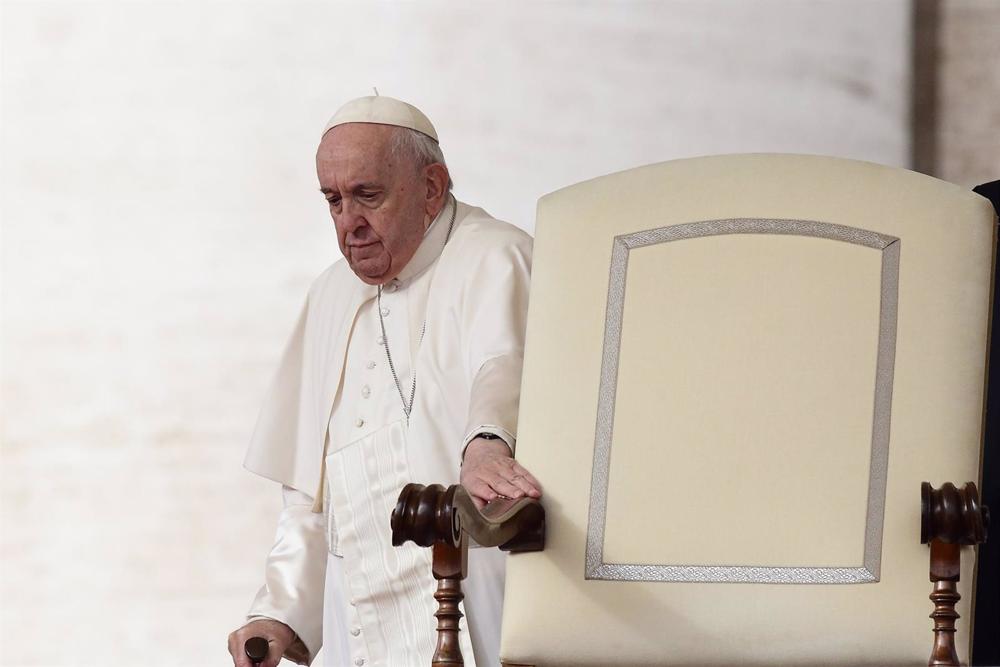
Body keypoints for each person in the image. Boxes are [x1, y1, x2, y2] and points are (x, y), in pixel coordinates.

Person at [227, 95, 541, 667]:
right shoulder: (330, 294)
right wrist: (278, 609)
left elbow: (504, 365)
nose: (350, 221)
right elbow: (310, 492)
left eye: (367, 195)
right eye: (333, 200)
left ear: (431, 187)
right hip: (363, 627)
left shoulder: (497, 254)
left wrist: (487, 442)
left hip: (473, 596)